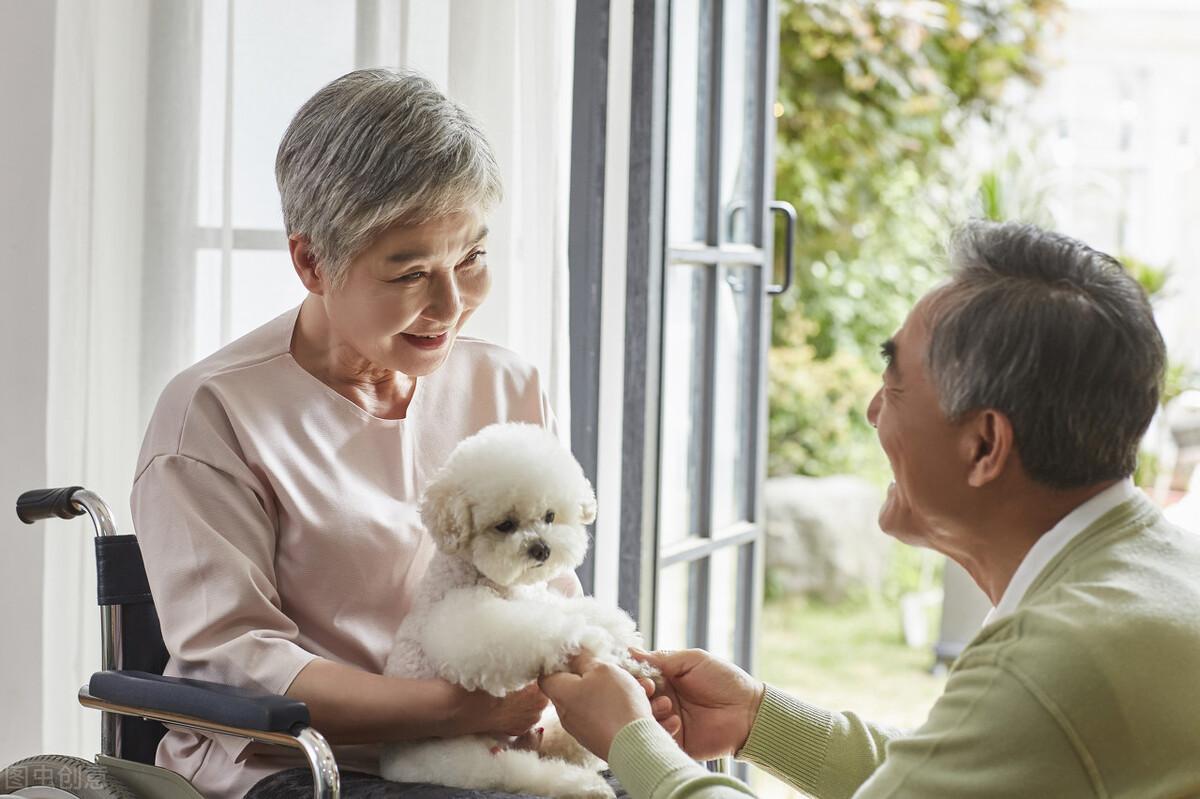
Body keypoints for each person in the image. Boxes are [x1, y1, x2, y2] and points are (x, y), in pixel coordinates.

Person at [540, 221, 1200, 798]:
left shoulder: (1048, 664)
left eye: (895, 384)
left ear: (984, 445)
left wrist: (630, 738)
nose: (872, 411)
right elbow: (961, 772)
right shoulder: (1159, 572)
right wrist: (756, 719)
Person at [132, 68, 587, 798]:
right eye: (410, 273)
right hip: (295, 767)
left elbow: (550, 594)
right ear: (312, 260)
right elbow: (240, 662)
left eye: (471, 258)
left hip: (487, 754)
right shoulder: (215, 413)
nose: (451, 304)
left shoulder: (507, 385)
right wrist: (456, 709)